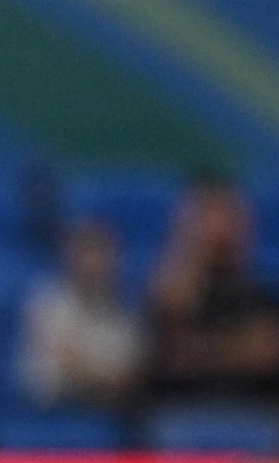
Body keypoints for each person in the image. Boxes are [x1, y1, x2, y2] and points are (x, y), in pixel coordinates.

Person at [147, 174, 279, 404]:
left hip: (256, 409)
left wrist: (203, 350)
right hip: (183, 410)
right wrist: (238, 348)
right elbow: (175, 357)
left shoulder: (258, 294)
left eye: (230, 216)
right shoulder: (167, 292)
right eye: (208, 216)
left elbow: (266, 353)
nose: (221, 227)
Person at [19, 219, 143, 409]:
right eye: (88, 253)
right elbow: (67, 364)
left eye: (103, 253)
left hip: (113, 405)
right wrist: (104, 377)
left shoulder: (124, 304)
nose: (95, 263)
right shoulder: (49, 302)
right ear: (71, 257)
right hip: (54, 407)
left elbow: (132, 363)